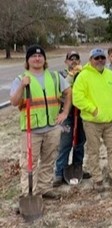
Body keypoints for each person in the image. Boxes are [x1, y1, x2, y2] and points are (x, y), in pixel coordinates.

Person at [10, 45, 71, 199]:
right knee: (29, 164)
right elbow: (14, 102)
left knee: (49, 160)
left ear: (44, 59)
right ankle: (30, 193)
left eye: (40, 56)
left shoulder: (55, 77)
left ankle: (45, 188)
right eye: (33, 56)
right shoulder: (20, 79)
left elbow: (68, 92)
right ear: (27, 60)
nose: (37, 59)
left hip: (52, 127)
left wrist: (65, 112)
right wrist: (22, 86)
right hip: (31, 129)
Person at [73, 48, 112, 192]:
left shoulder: (110, 74)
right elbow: (77, 98)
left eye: (102, 58)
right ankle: (97, 178)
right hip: (92, 121)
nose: (100, 61)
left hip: (110, 120)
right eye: (96, 58)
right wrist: (92, 109)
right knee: (94, 151)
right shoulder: (83, 76)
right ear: (90, 60)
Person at [53, 51, 91, 187]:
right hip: (66, 113)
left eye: (76, 59)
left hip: (81, 112)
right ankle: (59, 172)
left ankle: (77, 167)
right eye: (71, 59)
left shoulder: (83, 73)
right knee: (65, 143)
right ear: (66, 61)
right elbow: (60, 94)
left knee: (80, 142)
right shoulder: (61, 75)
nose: (73, 62)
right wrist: (70, 76)